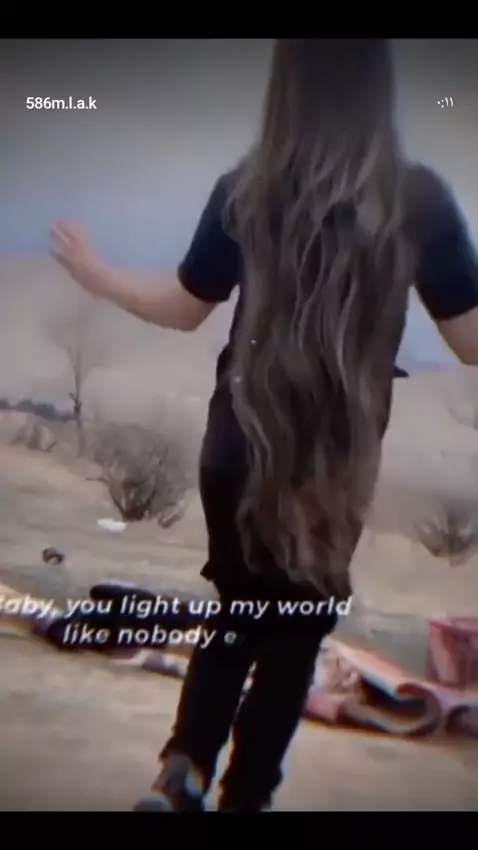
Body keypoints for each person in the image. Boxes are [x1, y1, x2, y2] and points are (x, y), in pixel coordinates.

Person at [51, 39, 478, 813]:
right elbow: (472, 341)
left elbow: (183, 308)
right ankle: (244, 798)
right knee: (292, 633)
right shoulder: (416, 199)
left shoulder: (246, 188)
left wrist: (98, 274)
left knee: (237, 611)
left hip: (237, 444)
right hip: (333, 461)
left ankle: (183, 771)